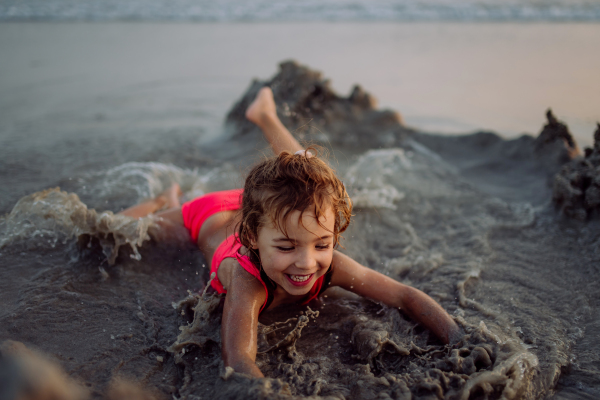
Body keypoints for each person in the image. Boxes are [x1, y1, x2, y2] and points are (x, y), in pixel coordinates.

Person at [119, 87, 461, 378]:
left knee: (317, 180)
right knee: (120, 230)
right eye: (286, 248)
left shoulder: (323, 256)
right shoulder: (247, 281)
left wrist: (462, 341)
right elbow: (238, 360)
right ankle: (162, 201)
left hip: (278, 210)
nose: (306, 263)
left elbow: (405, 296)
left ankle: (265, 115)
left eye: (322, 244)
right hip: (206, 215)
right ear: (251, 238)